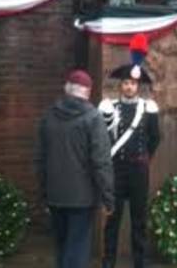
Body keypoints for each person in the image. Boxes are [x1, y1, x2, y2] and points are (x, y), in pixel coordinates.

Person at [34, 70, 114, 268]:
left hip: (55, 194)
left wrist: (44, 191)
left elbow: (40, 158)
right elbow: (101, 161)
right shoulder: (93, 118)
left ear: (66, 89)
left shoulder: (48, 116)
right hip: (82, 197)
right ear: (87, 92)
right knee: (77, 248)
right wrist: (108, 196)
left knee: (61, 247)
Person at [99, 34, 161, 268]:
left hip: (138, 170)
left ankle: (139, 262)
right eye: (125, 83)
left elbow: (155, 138)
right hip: (116, 169)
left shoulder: (149, 108)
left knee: (138, 220)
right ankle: (108, 261)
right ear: (120, 85)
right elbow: (103, 139)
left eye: (133, 83)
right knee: (112, 220)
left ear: (138, 86)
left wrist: (145, 158)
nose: (129, 86)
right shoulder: (108, 108)